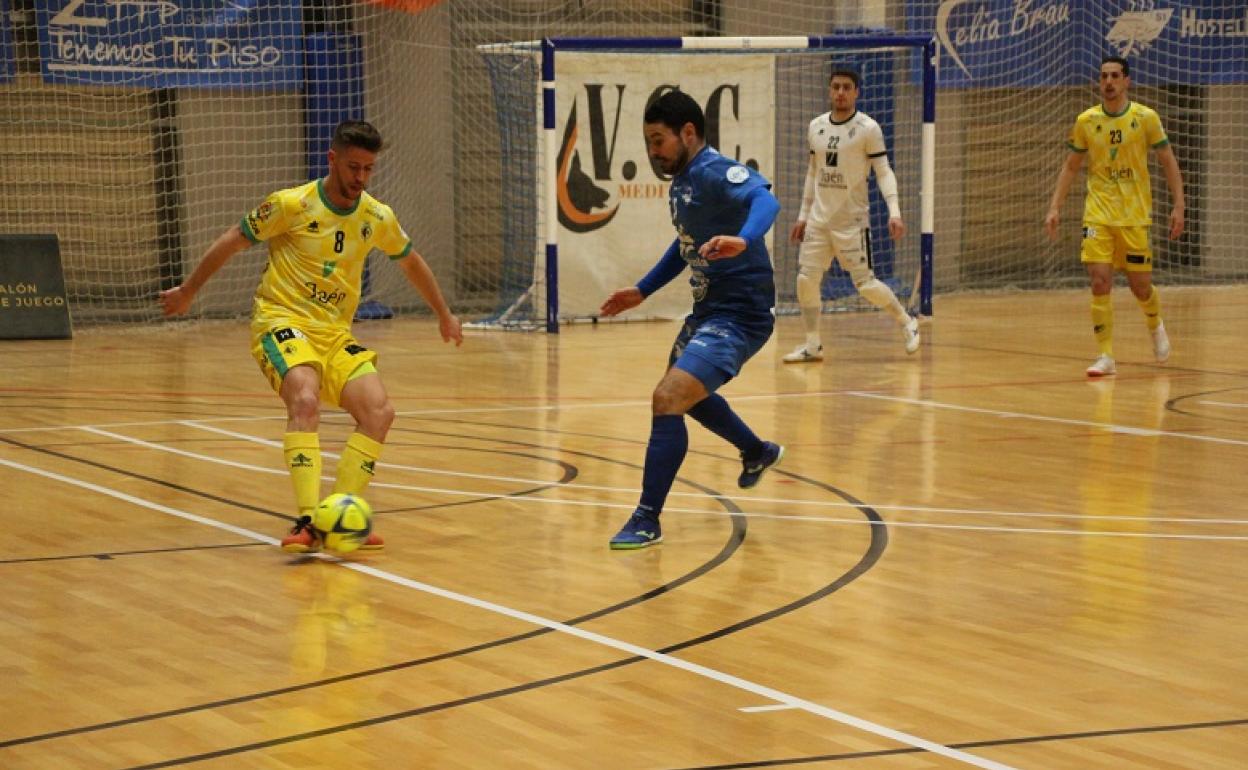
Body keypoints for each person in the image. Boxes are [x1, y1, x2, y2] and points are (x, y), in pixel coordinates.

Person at [159, 120, 463, 552]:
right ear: (332, 159)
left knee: (379, 412)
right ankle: (306, 519)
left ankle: (338, 516)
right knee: (304, 398)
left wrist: (443, 314)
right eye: (353, 167)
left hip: (334, 334)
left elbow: (411, 262)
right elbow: (233, 239)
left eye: (368, 169)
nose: (360, 178)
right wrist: (189, 291)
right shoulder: (291, 205)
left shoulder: (376, 216)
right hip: (281, 320)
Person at [599, 90, 785, 550]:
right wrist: (642, 290)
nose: (653, 152)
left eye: (658, 140)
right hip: (708, 312)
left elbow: (766, 201)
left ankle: (647, 519)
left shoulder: (715, 170)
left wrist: (744, 239)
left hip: (740, 315)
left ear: (687, 132)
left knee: (668, 397)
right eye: (648, 142)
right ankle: (756, 451)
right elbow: (684, 244)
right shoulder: (682, 182)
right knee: (686, 397)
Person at [1044, 55, 1185, 377]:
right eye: (1104, 76)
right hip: (1098, 215)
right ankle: (1105, 355)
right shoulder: (1086, 121)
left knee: (1140, 287)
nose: (1108, 82)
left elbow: (1167, 160)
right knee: (1099, 281)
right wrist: (1054, 207)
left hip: (1134, 216)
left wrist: (1179, 205)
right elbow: (1071, 167)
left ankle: (1155, 324)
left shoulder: (1145, 118)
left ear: (1126, 81)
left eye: (1115, 76)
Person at [784, 68, 919, 364]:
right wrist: (803, 216)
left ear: (856, 92)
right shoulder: (816, 126)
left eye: (847, 87)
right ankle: (813, 344)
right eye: (836, 87)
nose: (840, 92)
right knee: (806, 279)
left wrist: (895, 212)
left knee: (865, 285)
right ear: (829, 90)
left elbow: (884, 172)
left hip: (852, 223)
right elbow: (813, 172)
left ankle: (907, 321)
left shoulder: (868, 129)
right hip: (819, 221)